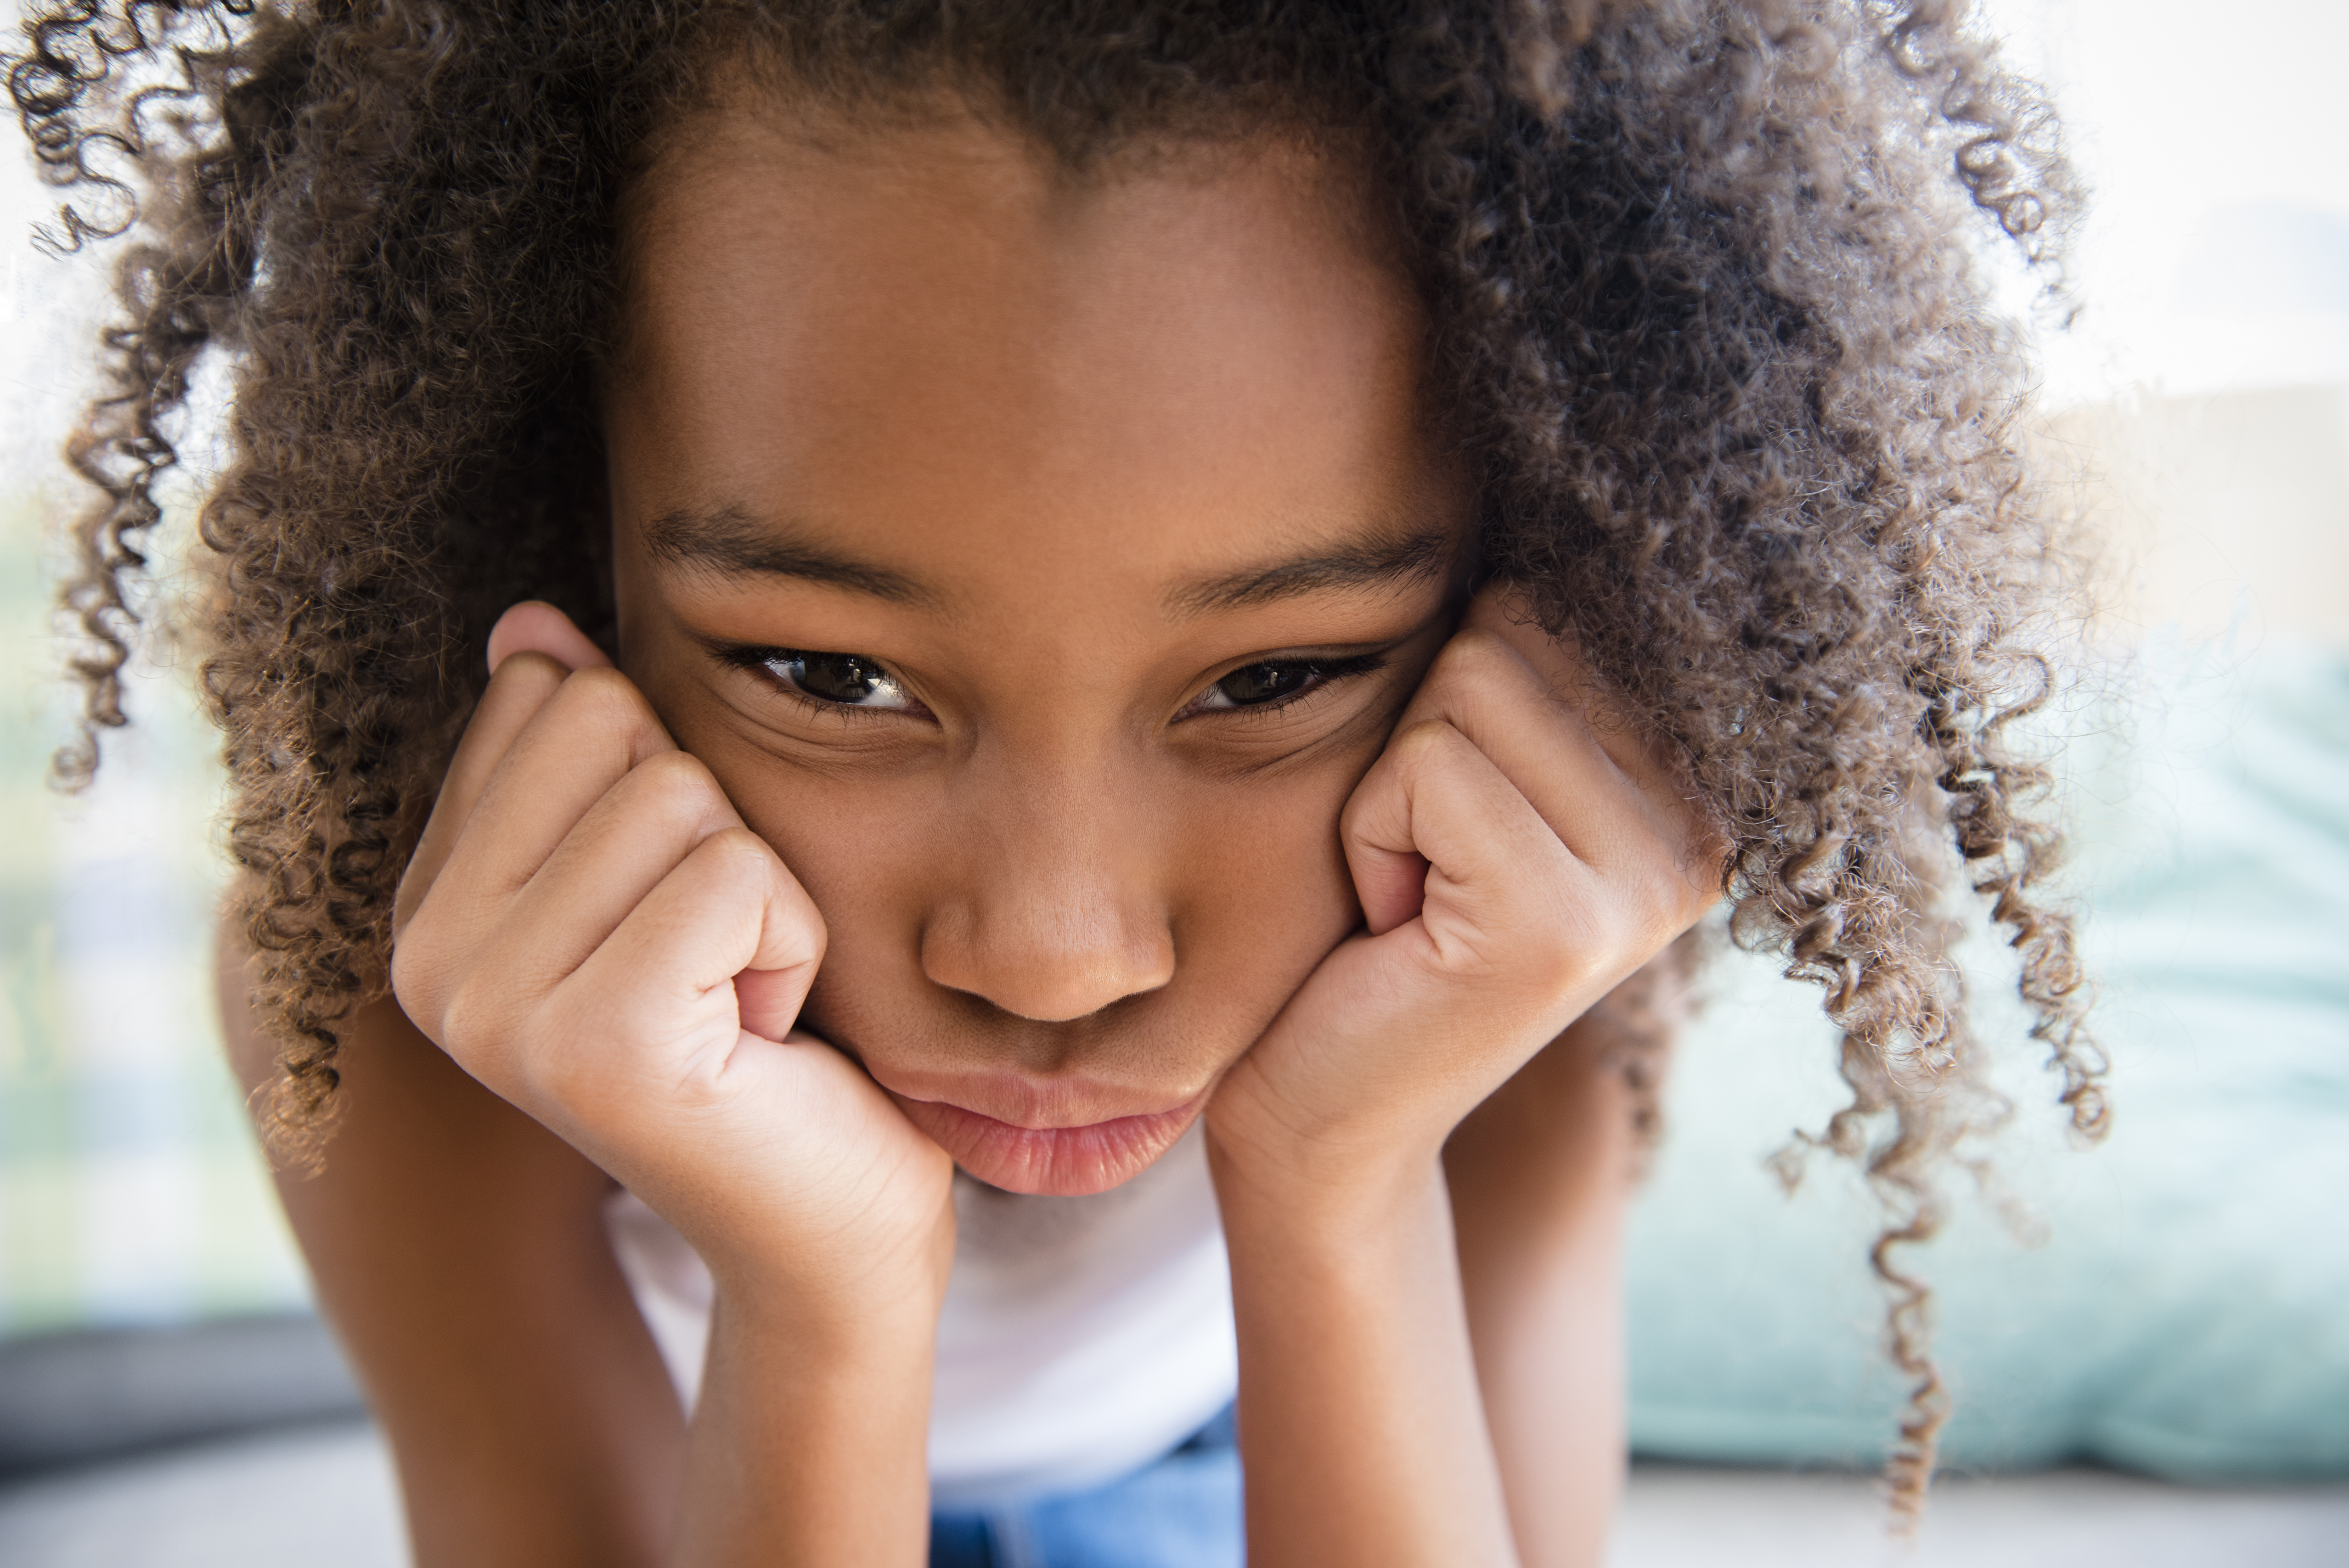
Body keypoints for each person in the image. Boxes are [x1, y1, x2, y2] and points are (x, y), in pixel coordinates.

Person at [9, 2, 2104, 1563]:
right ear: (563, 551)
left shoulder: (1512, 965)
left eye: (1275, 672)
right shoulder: (415, 1011)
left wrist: (1342, 1174)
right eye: (827, 671)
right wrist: (818, 1296)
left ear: (1520, 604)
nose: (1053, 952)